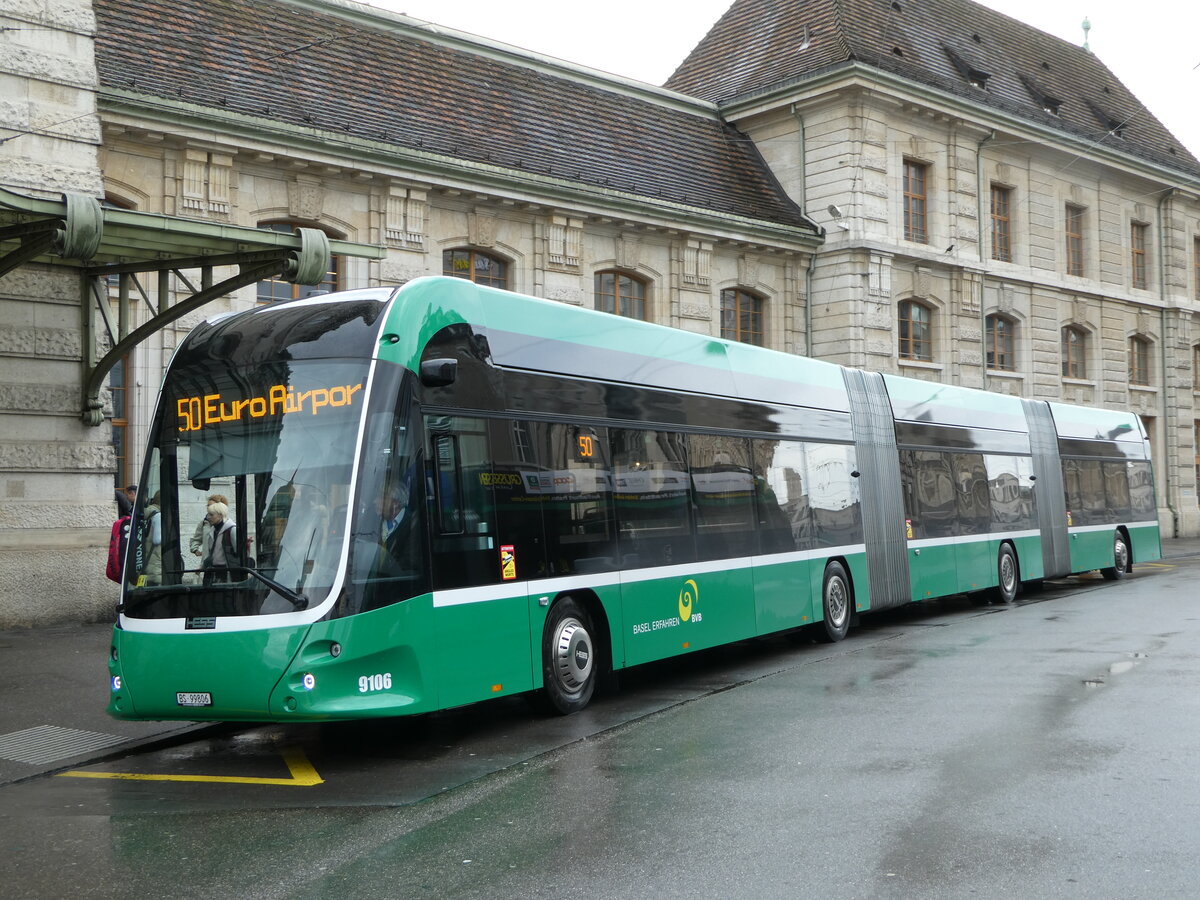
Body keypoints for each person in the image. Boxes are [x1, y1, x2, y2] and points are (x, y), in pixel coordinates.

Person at [201, 500, 241, 584]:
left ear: (220, 515)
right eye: (208, 514)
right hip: (213, 571)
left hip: (227, 572)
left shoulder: (231, 530)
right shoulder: (213, 530)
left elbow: (239, 554)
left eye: (211, 515)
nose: (208, 517)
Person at [189, 493, 229, 562]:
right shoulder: (205, 523)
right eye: (208, 506)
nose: (209, 508)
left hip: (222, 565)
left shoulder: (228, 525)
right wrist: (195, 549)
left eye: (211, 506)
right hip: (207, 564)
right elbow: (196, 538)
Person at [139, 490, 162, 585]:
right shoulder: (158, 516)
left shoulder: (146, 513)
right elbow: (157, 540)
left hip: (143, 561)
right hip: (155, 565)